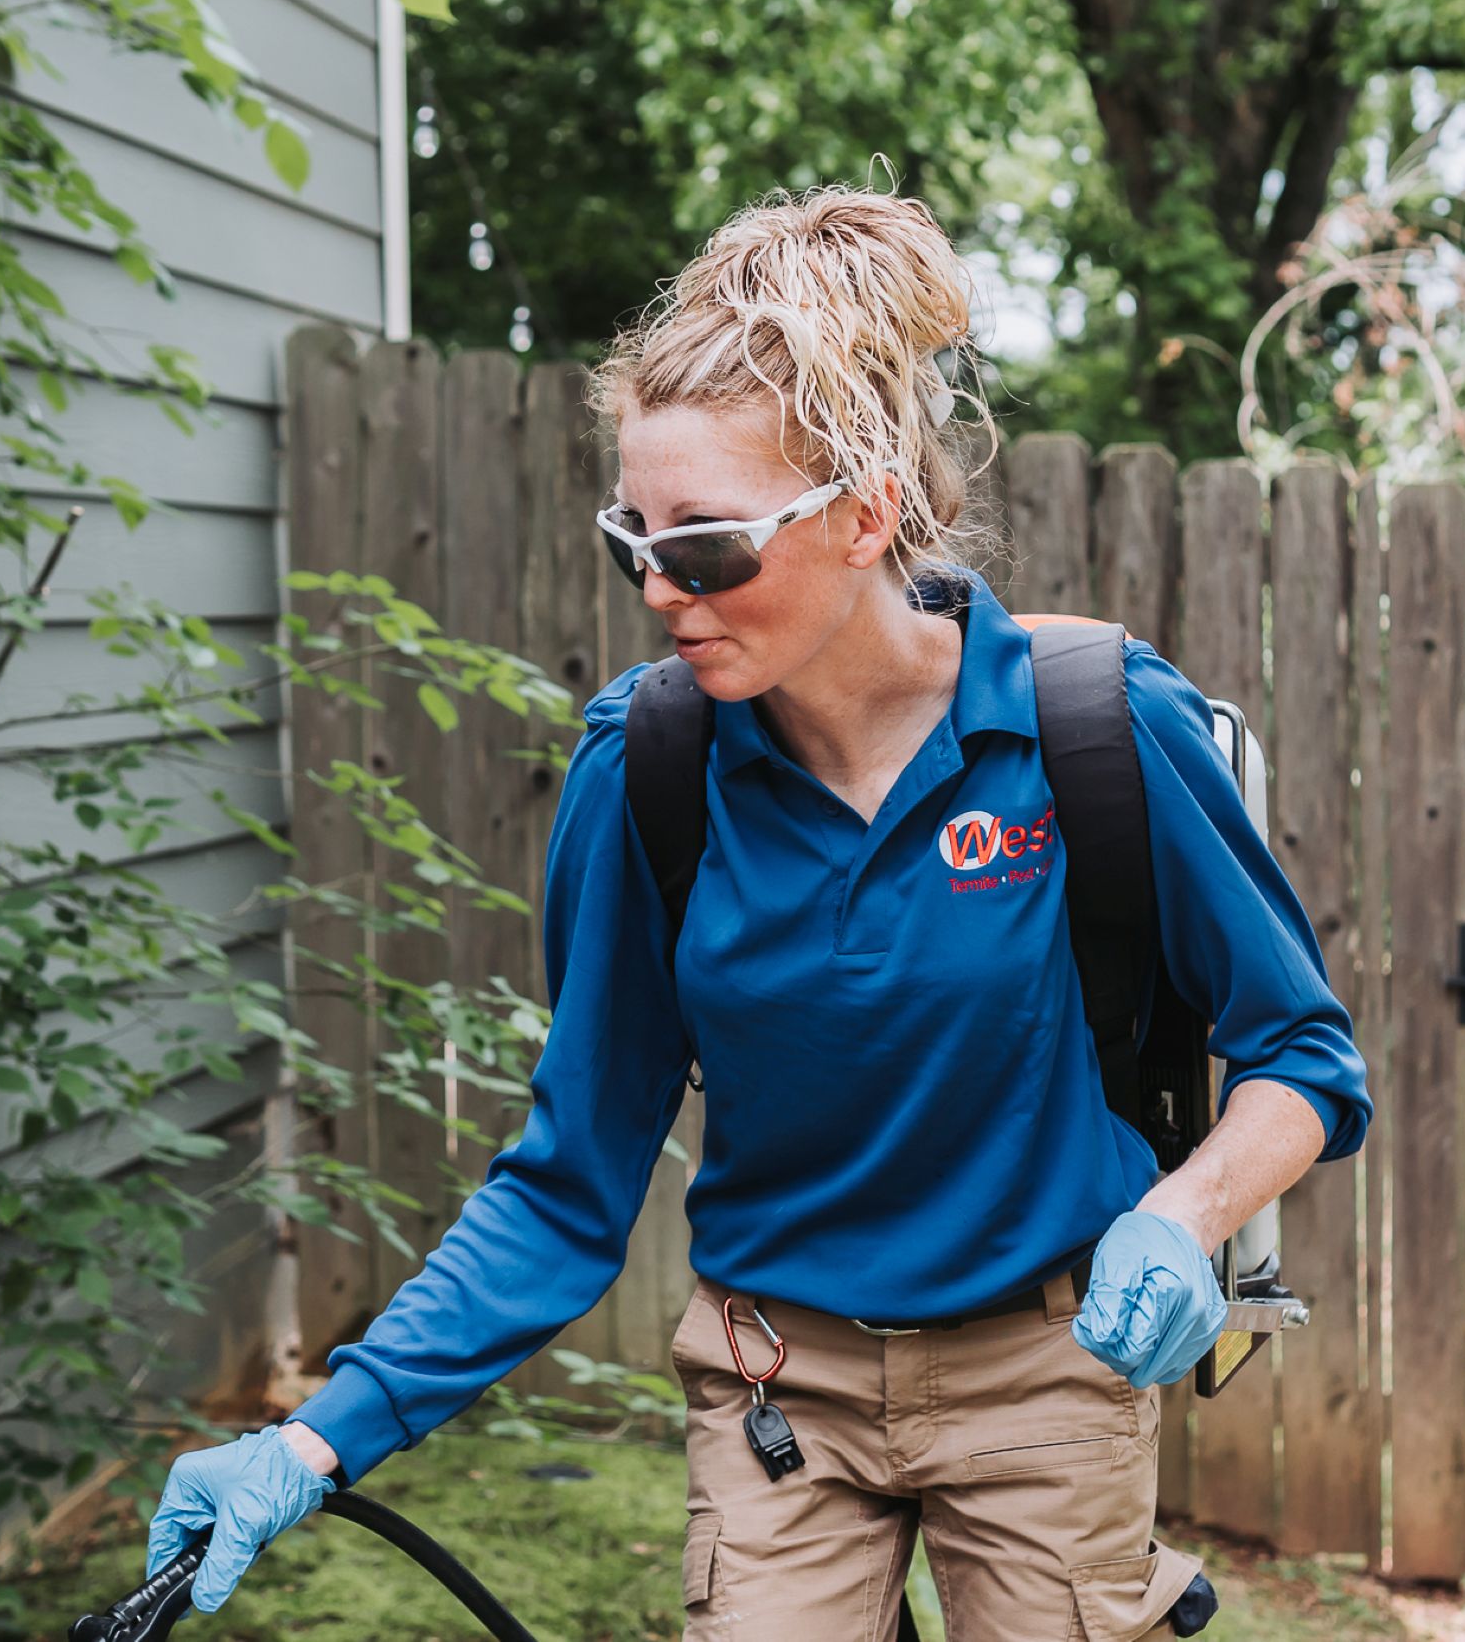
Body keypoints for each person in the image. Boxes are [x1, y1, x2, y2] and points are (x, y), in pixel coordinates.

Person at [146, 181, 1371, 1639]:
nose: (661, 588)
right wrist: (311, 1440)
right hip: (777, 1385)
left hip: (1047, 1378)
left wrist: (1183, 1216)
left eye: (708, 545)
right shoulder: (648, 770)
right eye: (635, 539)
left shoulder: (1096, 731)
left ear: (868, 516)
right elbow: (567, 1179)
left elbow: (1304, 1057)